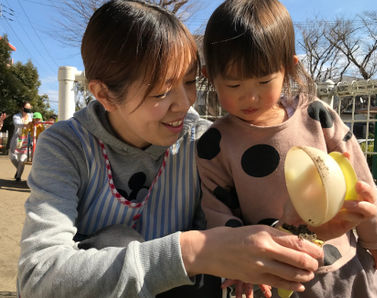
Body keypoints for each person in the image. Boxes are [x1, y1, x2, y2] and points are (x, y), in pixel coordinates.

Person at [17, 1, 326, 297]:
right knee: (116, 241)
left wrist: (313, 221)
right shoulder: (67, 146)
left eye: (190, 82)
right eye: (162, 92)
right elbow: (38, 277)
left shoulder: (203, 143)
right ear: (104, 94)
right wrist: (192, 251)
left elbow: (244, 223)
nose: (184, 103)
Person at [196, 0, 377, 297]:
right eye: (233, 86)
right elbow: (216, 210)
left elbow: (363, 187)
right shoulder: (214, 144)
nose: (251, 97)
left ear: (288, 68)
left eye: (264, 81)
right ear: (210, 77)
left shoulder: (317, 117)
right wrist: (239, 264)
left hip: (343, 268)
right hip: (271, 276)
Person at [9, 101, 32, 181]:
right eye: (27, 108)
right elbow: (17, 124)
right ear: (22, 108)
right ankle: (18, 170)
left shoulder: (31, 116)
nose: (28, 109)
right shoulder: (16, 116)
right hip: (18, 140)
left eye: (30, 108)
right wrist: (26, 124)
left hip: (26, 141)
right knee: (12, 158)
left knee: (22, 160)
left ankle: (18, 177)